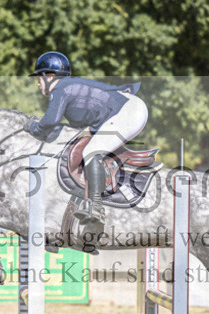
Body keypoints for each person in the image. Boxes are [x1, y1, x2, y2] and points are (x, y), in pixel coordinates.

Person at [25, 51, 148, 226]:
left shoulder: (60, 89)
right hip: (128, 109)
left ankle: (96, 206)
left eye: (39, 77)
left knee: (91, 151)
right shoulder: (69, 86)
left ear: (50, 76)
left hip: (129, 111)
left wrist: (31, 126)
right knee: (88, 146)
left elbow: (50, 121)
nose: (38, 83)